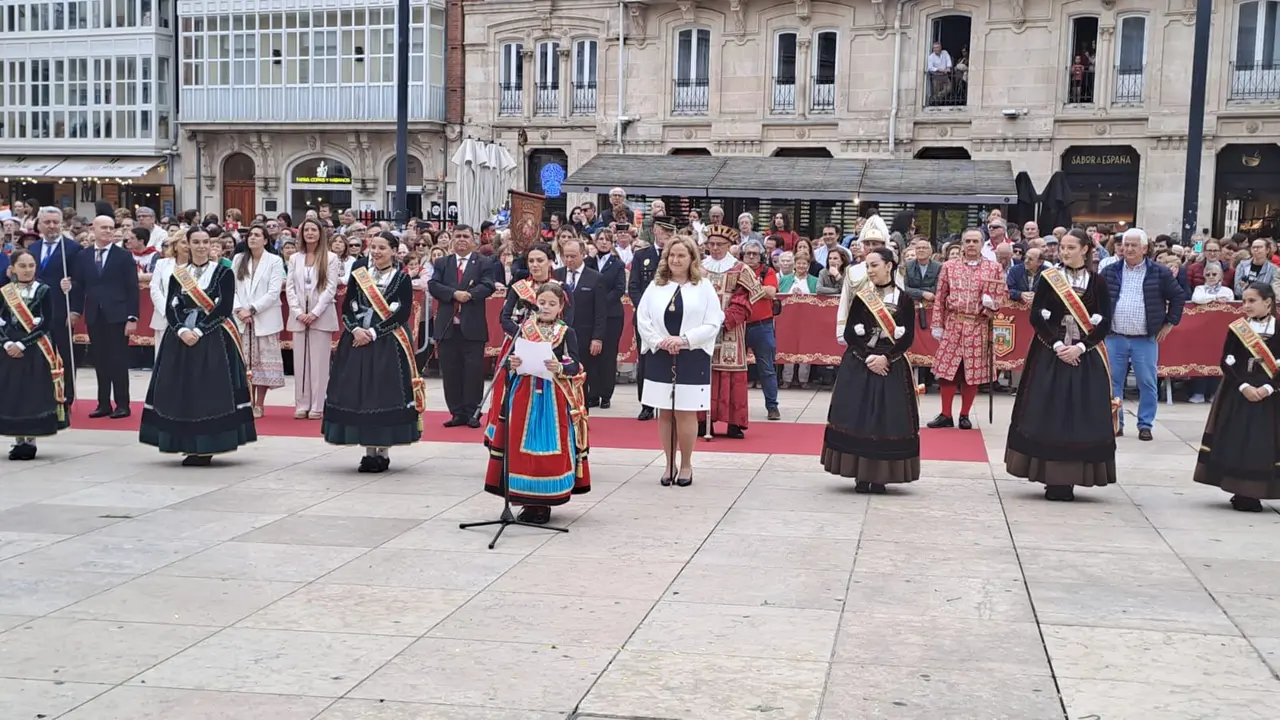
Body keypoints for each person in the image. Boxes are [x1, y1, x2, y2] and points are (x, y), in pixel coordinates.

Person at [1005, 229, 1117, 501]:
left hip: (1084, 357)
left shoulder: (1098, 282)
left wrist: (1080, 347)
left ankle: (1076, 475)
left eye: (1070, 247)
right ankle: (1049, 475)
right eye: (1062, 247)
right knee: (1048, 412)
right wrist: (1057, 345)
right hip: (1050, 355)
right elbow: (1037, 316)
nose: (1064, 252)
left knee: (1081, 414)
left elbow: (1104, 321)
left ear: (1086, 249)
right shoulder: (1049, 278)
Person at [139, 228, 257, 465]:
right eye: (196, 242)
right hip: (181, 337)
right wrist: (182, 330)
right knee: (181, 389)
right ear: (188, 245)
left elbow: (223, 307)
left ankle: (206, 445)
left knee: (209, 390)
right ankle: (184, 440)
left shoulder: (223, 272)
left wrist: (200, 330)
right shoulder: (178, 274)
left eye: (205, 242)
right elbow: (172, 307)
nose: (201, 246)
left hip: (213, 337)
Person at [483, 282, 591, 523]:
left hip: (553, 398)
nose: (546, 307)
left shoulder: (566, 332)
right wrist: (513, 364)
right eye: (542, 303)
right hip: (524, 394)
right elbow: (514, 359)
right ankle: (525, 500)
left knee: (547, 446)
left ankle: (544, 503)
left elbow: (576, 365)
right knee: (519, 446)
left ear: (561, 307)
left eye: (552, 304)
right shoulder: (524, 329)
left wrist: (560, 367)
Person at [322, 233, 425, 472]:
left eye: (382, 248)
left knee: (384, 394)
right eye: (373, 247)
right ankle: (368, 452)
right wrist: (356, 329)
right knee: (360, 394)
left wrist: (373, 333)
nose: (376, 251)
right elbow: (347, 306)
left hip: (387, 343)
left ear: (394, 251)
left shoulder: (401, 278)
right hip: (357, 341)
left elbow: (402, 314)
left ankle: (383, 451)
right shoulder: (360, 274)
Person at [822, 248, 919, 492]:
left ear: (889, 265)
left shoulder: (904, 300)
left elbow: (907, 339)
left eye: (874, 265)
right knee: (859, 416)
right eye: (867, 266)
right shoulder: (861, 296)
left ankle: (880, 476)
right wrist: (869, 358)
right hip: (860, 363)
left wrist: (886, 358)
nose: (870, 270)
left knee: (886, 420)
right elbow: (849, 333)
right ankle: (860, 474)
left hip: (891, 366)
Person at [635, 234, 725, 486]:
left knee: (685, 412)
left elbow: (713, 321)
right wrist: (658, 341)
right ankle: (668, 464)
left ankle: (686, 464)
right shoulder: (656, 285)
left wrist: (684, 340)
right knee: (665, 412)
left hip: (692, 355)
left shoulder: (703, 286)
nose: (675, 259)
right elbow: (643, 319)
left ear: (692, 258)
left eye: (681, 255)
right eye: (672, 255)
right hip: (660, 354)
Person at [1194, 282, 1280, 512]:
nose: (1246, 306)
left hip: (1271, 397)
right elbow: (1227, 360)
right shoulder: (1238, 328)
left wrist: (1268, 388)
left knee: (1263, 444)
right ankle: (1238, 489)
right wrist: (1243, 386)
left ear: (1268, 302)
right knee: (1237, 439)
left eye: (1252, 301)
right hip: (1239, 392)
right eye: (1244, 301)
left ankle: (1256, 491)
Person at [1100, 228, 1185, 441]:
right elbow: (1097, 297)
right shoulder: (1110, 271)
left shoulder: (1159, 272)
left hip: (1145, 338)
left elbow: (1178, 297)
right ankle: (1115, 423)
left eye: (1133, 245)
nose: (1127, 249)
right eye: (1125, 244)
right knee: (1112, 382)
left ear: (1145, 248)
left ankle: (1145, 424)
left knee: (1147, 382)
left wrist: (1170, 323)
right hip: (1114, 336)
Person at [926, 228, 1007, 430]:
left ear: (982, 243)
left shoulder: (993, 267)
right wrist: (937, 324)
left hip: (978, 325)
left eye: (975, 241)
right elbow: (940, 296)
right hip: (954, 323)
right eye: (968, 241)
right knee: (948, 371)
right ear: (962, 243)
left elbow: (1002, 294)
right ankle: (945, 414)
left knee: (972, 372)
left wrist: (993, 304)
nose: (971, 244)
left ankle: (964, 414)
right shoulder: (949, 267)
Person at [3, 207, 81, 411]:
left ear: (61, 224)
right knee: (37, 355)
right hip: (32, 314)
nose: (52, 226)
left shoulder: (72, 249)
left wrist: (74, 309)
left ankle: (66, 397)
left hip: (61, 310)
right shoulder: (33, 249)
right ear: (40, 224)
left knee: (62, 354)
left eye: (55, 222)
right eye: (47, 222)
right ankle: (41, 394)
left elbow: (80, 282)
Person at [696, 225, 765, 439]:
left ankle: (734, 423)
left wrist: (727, 317)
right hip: (702, 329)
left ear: (729, 246)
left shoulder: (740, 268)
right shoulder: (698, 267)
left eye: (720, 244)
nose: (715, 248)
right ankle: (701, 421)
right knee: (703, 375)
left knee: (731, 373)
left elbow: (747, 296)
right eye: (711, 244)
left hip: (731, 330)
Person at [0, 250, 70, 460]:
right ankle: (17, 439)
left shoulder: (44, 290)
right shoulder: (5, 292)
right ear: (12, 269)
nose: (27, 270)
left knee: (32, 394)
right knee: (13, 394)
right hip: (9, 352)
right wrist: (8, 343)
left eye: (31, 265)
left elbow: (47, 323)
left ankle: (30, 441)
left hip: (34, 350)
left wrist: (23, 344)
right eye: (22, 266)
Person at [68, 215, 139, 419]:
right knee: (100, 360)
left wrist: (132, 317)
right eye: (104, 227)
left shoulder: (123, 256)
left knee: (117, 360)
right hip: (94, 314)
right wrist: (74, 309)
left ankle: (122, 404)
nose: (108, 231)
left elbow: (132, 288)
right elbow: (79, 286)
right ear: (94, 229)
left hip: (118, 315)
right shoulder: (84, 256)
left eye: (111, 227)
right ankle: (103, 403)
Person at [428, 224, 496, 428]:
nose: (461, 240)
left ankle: (472, 412)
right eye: (457, 236)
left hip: (472, 327)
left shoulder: (483, 262)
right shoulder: (442, 262)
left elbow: (488, 285)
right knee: (450, 371)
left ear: (473, 240)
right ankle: (456, 412)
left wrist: (470, 295)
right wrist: (453, 294)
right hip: (448, 327)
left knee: (473, 372)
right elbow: (433, 285)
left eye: (465, 236)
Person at [285, 219, 342, 419]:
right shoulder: (294, 259)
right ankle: (301, 403)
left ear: (320, 233)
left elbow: (330, 287)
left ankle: (317, 405)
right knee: (300, 362)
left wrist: (315, 312)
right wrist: (298, 311)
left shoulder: (331, 257)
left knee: (319, 362)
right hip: (299, 315)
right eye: (306, 229)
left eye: (313, 229)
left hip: (322, 315)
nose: (310, 233)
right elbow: (290, 287)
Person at [232, 224, 287, 417]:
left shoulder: (274, 261)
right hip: (241, 318)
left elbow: (274, 292)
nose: (252, 238)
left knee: (263, 362)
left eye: (257, 235)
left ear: (265, 240)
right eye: (250, 235)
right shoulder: (239, 259)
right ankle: (246, 401)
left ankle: (260, 404)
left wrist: (252, 309)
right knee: (244, 361)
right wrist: (239, 309)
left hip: (265, 315)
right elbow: (232, 288)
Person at [554, 237, 609, 405]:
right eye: (566, 256)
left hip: (584, 335)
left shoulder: (595, 278)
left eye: (573, 256)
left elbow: (600, 311)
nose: (569, 260)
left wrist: (597, 337)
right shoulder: (557, 275)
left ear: (583, 255)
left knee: (581, 376)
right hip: (557, 334)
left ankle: (581, 413)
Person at [628, 216, 671, 421]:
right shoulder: (642, 255)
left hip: (670, 316)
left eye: (670, 232)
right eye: (664, 231)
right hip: (645, 318)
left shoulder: (676, 256)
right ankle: (646, 404)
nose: (667, 236)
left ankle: (667, 401)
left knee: (667, 359)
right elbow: (634, 287)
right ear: (655, 230)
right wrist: (646, 310)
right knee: (645, 360)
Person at [586, 229, 627, 408]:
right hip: (591, 316)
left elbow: (619, 289)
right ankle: (592, 394)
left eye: (607, 240)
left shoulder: (617, 264)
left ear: (612, 243)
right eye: (600, 239)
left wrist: (601, 303)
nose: (603, 242)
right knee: (592, 356)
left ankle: (606, 394)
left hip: (612, 315)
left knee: (608, 356)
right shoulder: (588, 262)